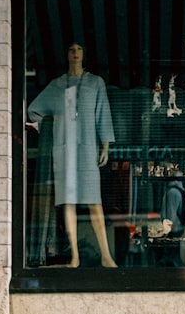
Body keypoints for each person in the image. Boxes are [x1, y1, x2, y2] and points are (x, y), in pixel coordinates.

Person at [27, 42, 117, 267]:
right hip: (64, 149)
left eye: (79, 49)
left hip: (87, 148)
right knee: (69, 203)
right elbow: (34, 110)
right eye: (70, 49)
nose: (75, 54)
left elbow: (102, 113)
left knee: (94, 202)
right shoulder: (57, 85)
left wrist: (105, 144)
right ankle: (75, 256)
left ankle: (106, 255)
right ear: (65, 54)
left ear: (85, 53)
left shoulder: (95, 83)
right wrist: (50, 126)